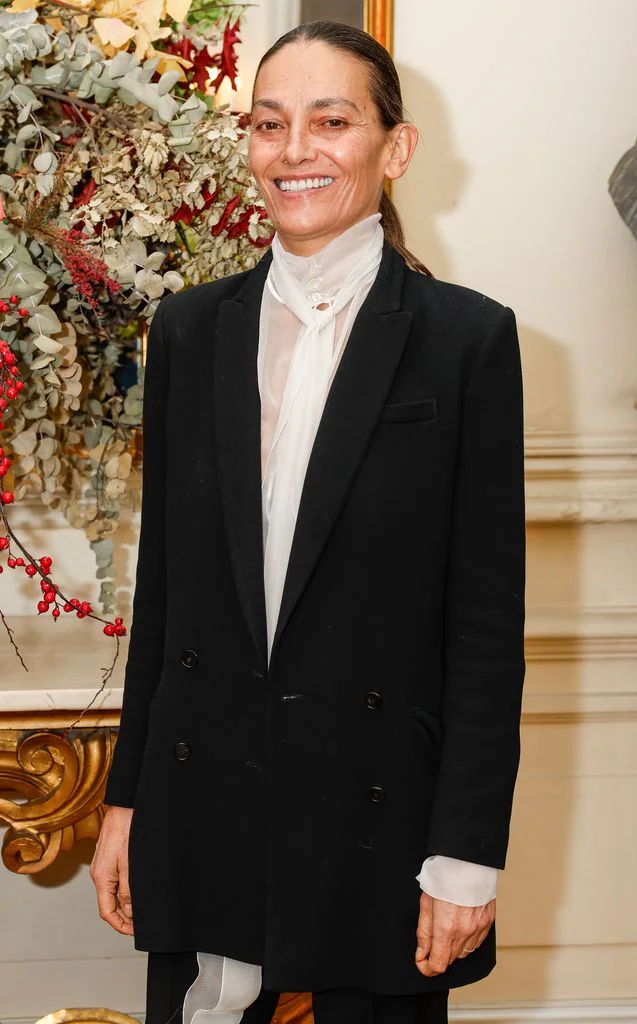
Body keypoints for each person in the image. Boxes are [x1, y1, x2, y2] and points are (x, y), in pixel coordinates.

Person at [90, 20, 526, 1024]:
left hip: (381, 811)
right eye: (268, 123)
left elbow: (483, 627)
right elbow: (167, 596)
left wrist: (465, 854)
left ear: (394, 148)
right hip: (203, 793)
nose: (294, 151)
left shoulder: (466, 340)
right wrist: (128, 799)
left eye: (331, 122)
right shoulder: (188, 329)